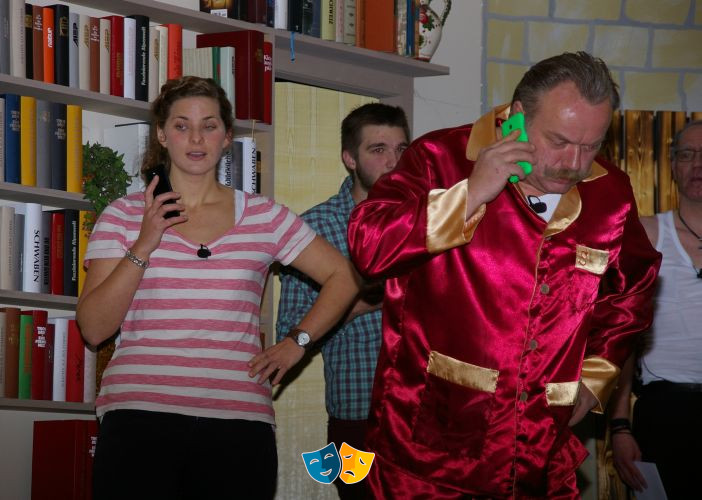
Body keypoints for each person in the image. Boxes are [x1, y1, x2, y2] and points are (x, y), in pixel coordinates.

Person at [347, 51, 662, 498]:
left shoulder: (610, 191)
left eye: (591, 146)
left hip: (543, 454)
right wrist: (471, 193)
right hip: (430, 452)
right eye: (559, 141)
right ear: (516, 118)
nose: (573, 162)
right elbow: (369, 248)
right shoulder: (439, 158)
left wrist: (596, 378)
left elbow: (637, 286)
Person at [76, 76, 360, 499]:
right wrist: (145, 243)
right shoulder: (122, 215)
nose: (196, 138)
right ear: (161, 134)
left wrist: (297, 342)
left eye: (209, 125)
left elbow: (346, 277)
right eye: (182, 125)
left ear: (227, 137)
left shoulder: (264, 216)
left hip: (238, 424)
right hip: (139, 416)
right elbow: (94, 328)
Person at [275, 102, 410, 500]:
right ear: (350, 158)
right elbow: (290, 335)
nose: (393, 162)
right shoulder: (316, 227)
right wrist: (372, 299)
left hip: (424, 414)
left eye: (401, 149)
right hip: (358, 416)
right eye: (378, 149)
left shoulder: (428, 221)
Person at [609, 120, 702, 499]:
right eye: (687, 154)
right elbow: (622, 337)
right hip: (665, 411)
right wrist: (620, 427)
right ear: (673, 165)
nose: (698, 164)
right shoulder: (647, 234)